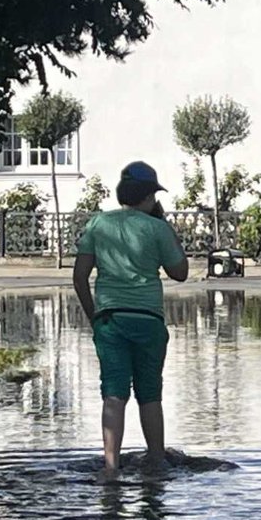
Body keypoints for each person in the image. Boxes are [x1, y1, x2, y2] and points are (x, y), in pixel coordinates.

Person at [73, 161, 189, 478]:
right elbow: (180, 273)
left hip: (110, 319)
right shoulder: (157, 228)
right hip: (149, 318)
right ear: (149, 196)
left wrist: (93, 317)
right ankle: (156, 462)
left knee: (114, 393)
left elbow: (79, 277)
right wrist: (164, 228)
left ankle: (110, 467)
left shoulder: (98, 224)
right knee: (150, 394)